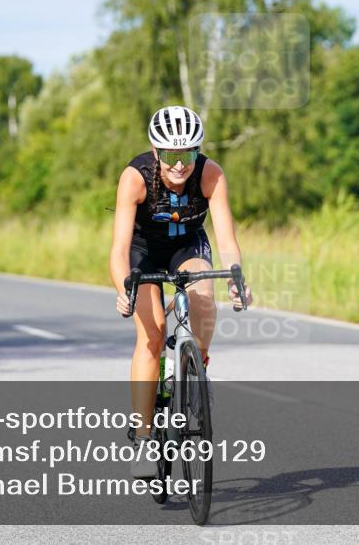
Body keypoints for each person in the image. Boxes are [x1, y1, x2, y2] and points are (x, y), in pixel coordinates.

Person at [110, 105, 252, 479]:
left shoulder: (210, 174)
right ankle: (144, 438)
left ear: (196, 152)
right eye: (170, 155)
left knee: (204, 294)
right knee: (153, 334)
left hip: (187, 246)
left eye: (187, 155)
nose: (178, 165)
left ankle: (195, 369)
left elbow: (227, 240)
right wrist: (124, 288)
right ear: (155, 151)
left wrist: (236, 280)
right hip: (142, 251)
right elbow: (119, 249)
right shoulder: (135, 178)